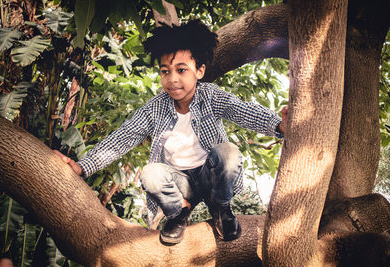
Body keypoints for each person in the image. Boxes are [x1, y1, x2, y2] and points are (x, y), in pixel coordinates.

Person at [55, 19, 288, 245]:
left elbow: (243, 111)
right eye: (165, 71)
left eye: (181, 70)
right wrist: (83, 166)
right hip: (181, 185)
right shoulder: (155, 108)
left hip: (211, 177)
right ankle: (179, 213)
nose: (173, 79)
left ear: (199, 71)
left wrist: (279, 125)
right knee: (150, 173)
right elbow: (123, 137)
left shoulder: (210, 96)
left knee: (229, 152)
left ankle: (220, 207)